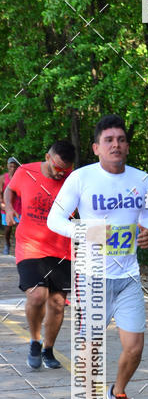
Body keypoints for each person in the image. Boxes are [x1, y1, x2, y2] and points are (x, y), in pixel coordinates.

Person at [48, 114, 148, 399]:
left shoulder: (142, 179)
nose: (116, 145)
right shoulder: (81, 179)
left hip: (128, 277)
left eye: (121, 139)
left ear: (127, 146)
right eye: (108, 140)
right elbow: (55, 220)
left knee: (134, 348)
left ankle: (117, 392)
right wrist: (89, 231)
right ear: (96, 148)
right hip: (91, 276)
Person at [4, 142, 75, 368]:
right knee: (37, 296)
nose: (60, 173)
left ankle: (48, 349)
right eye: (57, 168)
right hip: (30, 245)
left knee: (56, 304)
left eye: (65, 169)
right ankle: (35, 341)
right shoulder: (26, 171)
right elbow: (10, 189)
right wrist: (9, 207)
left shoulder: (73, 179)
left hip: (62, 248)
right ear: (47, 157)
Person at [2, 157, 20, 254]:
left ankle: (19, 247)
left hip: (19, 208)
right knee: (8, 228)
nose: (12, 168)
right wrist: (2, 205)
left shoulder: (20, 177)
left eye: (14, 166)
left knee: (19, 229)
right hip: (6, 207)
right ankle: (7, 244)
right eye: (10, 166)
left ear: (17, 167)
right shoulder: (3, 178)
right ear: (7, 166)